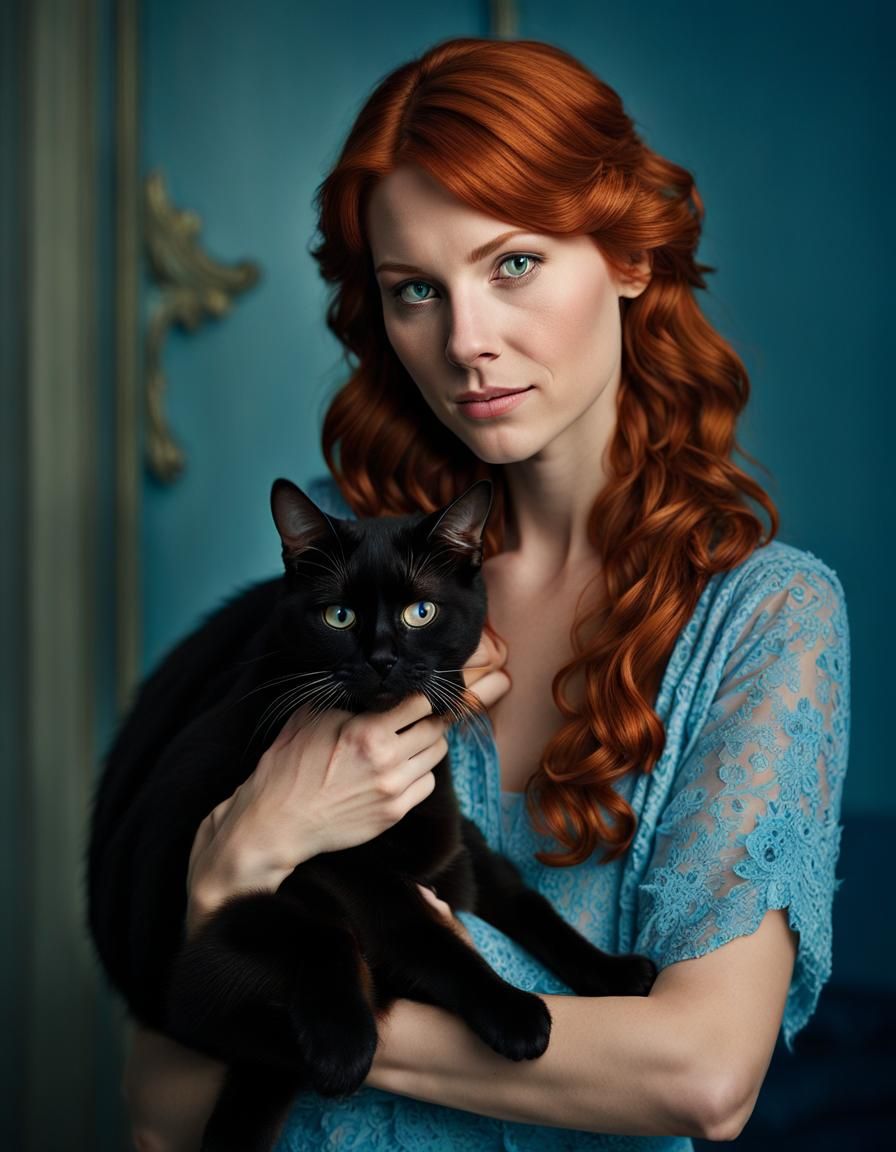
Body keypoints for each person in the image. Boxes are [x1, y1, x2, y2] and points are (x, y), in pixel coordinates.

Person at [123, 37, 850, 1152]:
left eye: (511, 264)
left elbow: (703, 1077)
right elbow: (164, 1116)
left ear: (625, 255)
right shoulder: (343, 574)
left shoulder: (763, 619)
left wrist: (260, 949)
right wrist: (239, 861)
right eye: (415, 288)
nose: (464, 342)